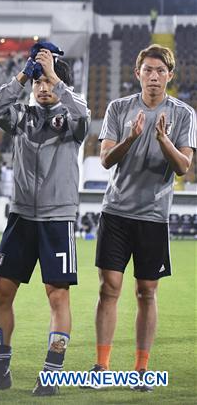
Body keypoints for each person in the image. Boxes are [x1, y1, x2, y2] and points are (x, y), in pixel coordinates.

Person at [0, 46, 89, 396]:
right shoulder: (22, 116)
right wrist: (24, 73)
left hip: (57, 218)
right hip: (21, 216)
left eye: (48, 80)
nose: (43, 87)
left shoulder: (72, 117)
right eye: (38, 82)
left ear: (61, 83)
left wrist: (54, 77)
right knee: (1, 293)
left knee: (57, 296)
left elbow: (84, 115)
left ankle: (51, 376)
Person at [92, 44, 195, 388]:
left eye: (160, 71)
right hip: (116, 211)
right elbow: (106, 159)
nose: (154, 76)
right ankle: (101, 367)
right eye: (148, 70)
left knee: (147, 292)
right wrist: (131, 138)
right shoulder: (119, 108)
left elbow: (183, 166)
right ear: (137, 73)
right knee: (109, 287)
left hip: (153, 216)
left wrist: (163, 140)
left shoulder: (183, 114)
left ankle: (140, 370)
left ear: (170, 76)